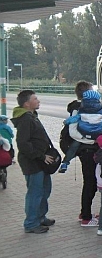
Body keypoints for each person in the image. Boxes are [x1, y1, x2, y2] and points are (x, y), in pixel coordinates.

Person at [11, 90, 56, 233]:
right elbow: (23, 144)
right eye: (35, 99)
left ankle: (40, 217)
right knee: (35, 193)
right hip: (33, 163)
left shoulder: (31, 116)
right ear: (26, 104)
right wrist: (41, 156)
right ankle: (31, 223)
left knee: (44, 189)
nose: (38, 101)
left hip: (40, 162)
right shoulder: (25, 119)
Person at [66, 81, 99, 227]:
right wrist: (90, 140)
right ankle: (86, 216)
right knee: (90, 183)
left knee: (92, 182)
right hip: (87, 151)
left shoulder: (87, 108)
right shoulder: (78, 109)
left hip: (89, 149)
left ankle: (85, 213)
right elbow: (72, 132)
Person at [59, 89, 102, 173]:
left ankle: (65, 162)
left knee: (74, 146)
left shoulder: (80, 111)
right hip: (97, 136)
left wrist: (66, 121)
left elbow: (74, 120)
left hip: (83, 134)